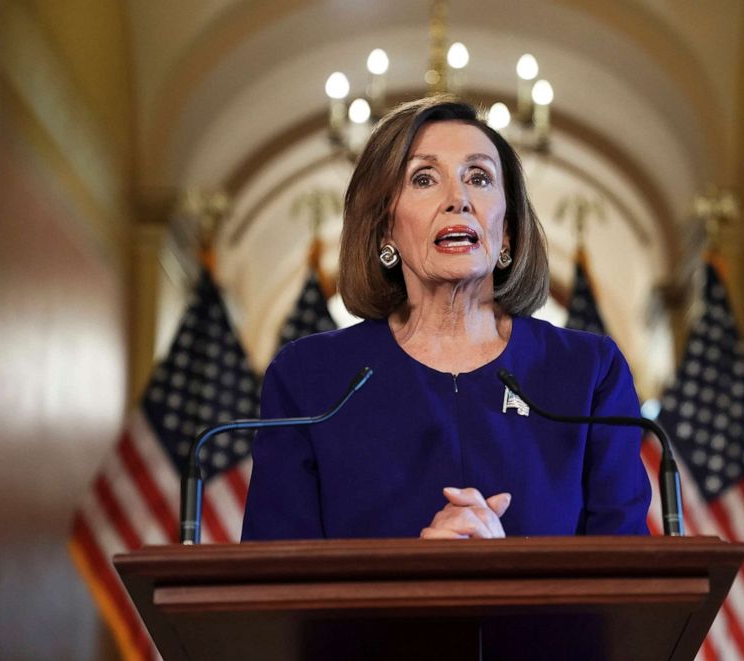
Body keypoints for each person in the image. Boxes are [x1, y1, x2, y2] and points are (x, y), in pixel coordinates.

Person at [241, 96, 650, 541]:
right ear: (384, 229)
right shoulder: (309, 379)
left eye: (479, 177)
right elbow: (274, 587)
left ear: (507, 230)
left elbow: (629, 582)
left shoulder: (589, 373)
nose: (458, 199)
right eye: (423, 178)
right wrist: (417, 579)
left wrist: (507, 575)